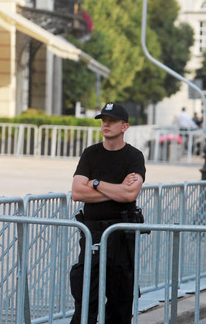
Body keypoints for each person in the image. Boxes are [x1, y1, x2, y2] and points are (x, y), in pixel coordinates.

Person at [70, 102, 146, 324]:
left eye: (112, 121)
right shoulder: (91, 154)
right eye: (103, 120)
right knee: (85, 297)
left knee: (120, 300)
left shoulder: (134, 156)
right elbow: (76, 192)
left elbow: (130, 194)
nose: (106, 124)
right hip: (92, 232)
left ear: (125, 126)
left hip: (121, 233)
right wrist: (114, 188)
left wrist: (93, 184)